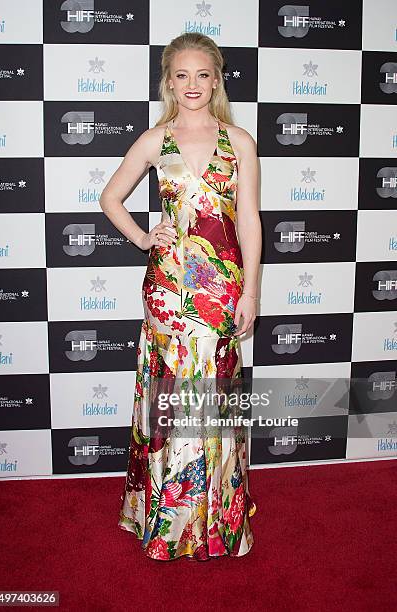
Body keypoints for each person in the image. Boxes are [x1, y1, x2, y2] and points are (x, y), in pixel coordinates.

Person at [99, 32, 262, 561]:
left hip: (221, 290)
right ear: (168, 81)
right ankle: (168, 519)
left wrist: (252, 291)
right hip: (169, 290)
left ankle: (216, 518)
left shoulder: (239, 141)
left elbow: (250, 222)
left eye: (203, 75)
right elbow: (110, 197)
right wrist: (146, 237)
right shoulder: (155, 139)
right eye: (181, 76)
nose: (192, 85)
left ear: (216, 80)